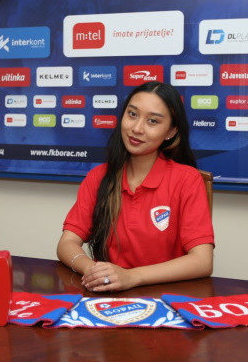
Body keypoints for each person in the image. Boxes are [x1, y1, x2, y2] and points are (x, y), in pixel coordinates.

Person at [56, 81, 214, 292]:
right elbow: (66, 243)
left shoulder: (187, 180)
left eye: (152, 121)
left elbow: (202, 261)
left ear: (171, 131)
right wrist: (95, 272)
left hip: (166, 298)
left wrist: (131, 277)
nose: (137, 128)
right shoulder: (98, 177)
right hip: (109, 296)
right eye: (132, 114)